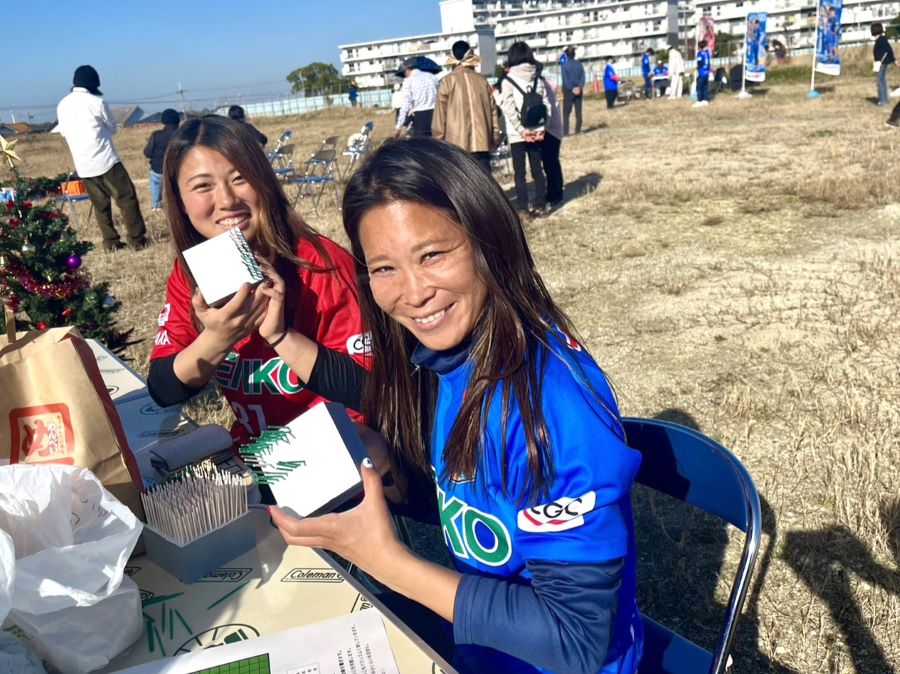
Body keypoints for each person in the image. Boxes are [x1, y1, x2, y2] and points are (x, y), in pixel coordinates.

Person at [269, 137, 644, 674]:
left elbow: (575, 642)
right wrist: (391, 468)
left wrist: (387, 562)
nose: (413, 292)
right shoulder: (453, 361)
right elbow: (482, 520)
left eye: (432, 255)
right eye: (384, 268)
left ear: (488, 238)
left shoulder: (550, 406)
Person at [147, 115, 369, 447]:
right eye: (203, 186)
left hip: (343, 449)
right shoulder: (190, 272)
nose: (227, 200)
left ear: (263, 181)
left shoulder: (320, 265)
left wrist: (280, 335)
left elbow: (369, 391)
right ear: (180, 200)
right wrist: (218, 338)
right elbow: (163, 389)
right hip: (256, 450)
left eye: (240, 178)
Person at [56, 65, 148, 252]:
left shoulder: (62, 105)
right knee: (127, 199)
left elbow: (63, 133)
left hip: (84, 165)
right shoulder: (97, 102)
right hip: (107, 160)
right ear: (92, 84)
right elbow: (112, 128)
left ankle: (111, 242)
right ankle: (137, 239)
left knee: (100, 206)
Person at [432, 40, 501, 174]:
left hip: (456, 144)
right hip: (483, 142)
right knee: (484, 181)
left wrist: (439, 142)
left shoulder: (447, 81)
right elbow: (493, 111)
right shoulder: (482, 80)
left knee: (461, 182)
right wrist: (495, 137)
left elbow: (439, 117)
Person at [499, 41, 550, 218]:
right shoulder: (538, 78)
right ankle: (541, 205)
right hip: (537, 131)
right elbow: (547, 106)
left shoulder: (508, 81)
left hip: (517, 134)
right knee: (538, 170)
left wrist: (521, 130)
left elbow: (509, 109)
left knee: (520, 173)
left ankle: (523, 208)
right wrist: (543, 129)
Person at [143, 108, 180, 211]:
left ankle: (156, 205)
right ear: (177, 121)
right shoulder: (180, 135)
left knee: (155, 184)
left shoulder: (156, 135)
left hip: (157, 170)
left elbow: (147, 153)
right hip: (176, 171)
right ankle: (176, 204)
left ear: (163, 121)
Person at [393, 56, 438, 139]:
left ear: (407, 70)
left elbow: (405, 105)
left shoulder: (408, 81)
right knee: (437, 141)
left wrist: (398, 127)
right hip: (435, 113)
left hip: (420, 116)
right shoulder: (432, 76)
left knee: (421, 143)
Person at [541, 76, 565, 209]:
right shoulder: (549, 84)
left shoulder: (542, 85)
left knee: (550, 164)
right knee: (553, 162)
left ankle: (553, 194)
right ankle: (557, 191)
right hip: (556, 127)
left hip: (550, 128)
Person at [560, 46, 585, 135]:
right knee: (578, 111)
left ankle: (566, 132)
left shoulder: (564, 65)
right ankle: (578, 130)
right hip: (579, 90)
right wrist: (579, 87)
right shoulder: (579, 64)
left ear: (566, 55)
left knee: (566, 113)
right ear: (574, 54)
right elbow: (583, 77)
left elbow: (565, 79)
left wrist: (571, 88)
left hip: (568, 91)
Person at [872, 23, 895, 107]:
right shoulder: (882, 39)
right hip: (884, 62)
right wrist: (893, 60)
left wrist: (893, 59)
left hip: (881, 62)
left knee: (880, 81)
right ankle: (885, 99)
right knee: (883, 80)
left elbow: (888, 49)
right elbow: (889, 49)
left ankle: (883, 100)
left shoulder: (881, 40)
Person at [693, 40, 712, 107]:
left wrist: (697, 67)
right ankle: (705, 100)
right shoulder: (707, 53)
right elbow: (709, 63)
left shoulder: (700, 53)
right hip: (707, 72)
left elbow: (699, 62)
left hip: (701, 72)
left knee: (699, 87)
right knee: (705, 86)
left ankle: (699, 100)